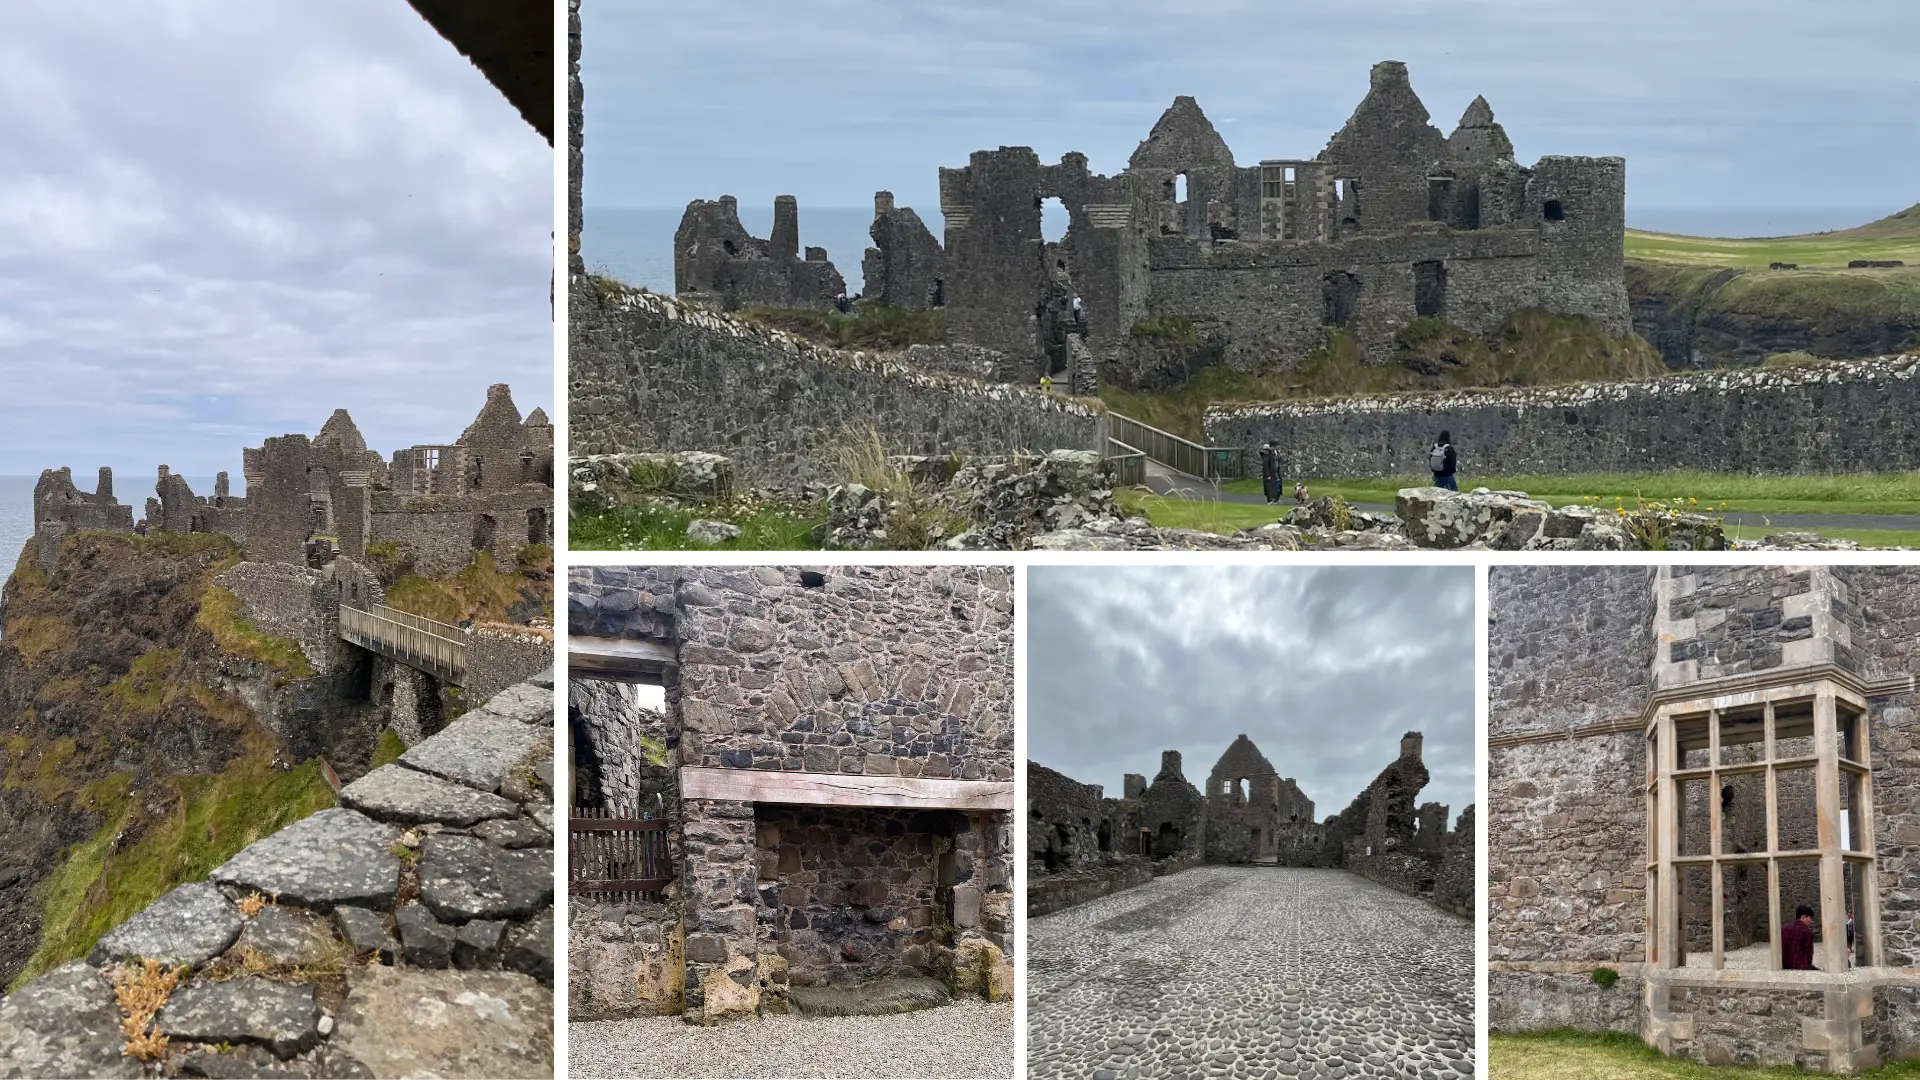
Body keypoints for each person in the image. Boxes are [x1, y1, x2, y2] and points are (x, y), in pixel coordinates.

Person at [1782, 904, 1816, 970]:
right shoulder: (1806, 932)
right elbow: (1808, 954)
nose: (1811, 921)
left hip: (1784, 966)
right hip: (1800, 967)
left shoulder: (1784, 929)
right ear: (1803, 917)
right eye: (1810, 918)